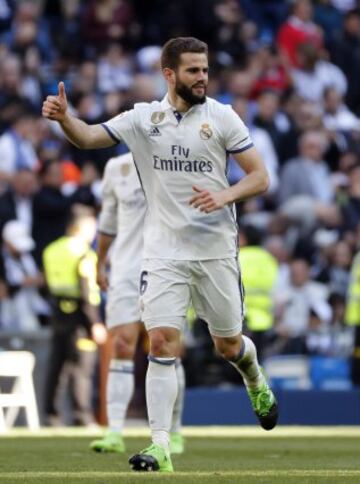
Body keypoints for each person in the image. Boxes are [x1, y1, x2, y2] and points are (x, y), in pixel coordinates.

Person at [42, 36, 278, 473]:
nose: (202, 77)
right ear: (169, 74)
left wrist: (225, 194)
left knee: (227, 345)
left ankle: (253, 374)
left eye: (205, 69)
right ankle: (160, 446)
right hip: (164, 253)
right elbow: (90, 137)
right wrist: (64, 119)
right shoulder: (143, 118)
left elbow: (261, 177)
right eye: (193, 70)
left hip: (215, 252)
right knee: (163, 342)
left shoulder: (223, 118)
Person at [89, 152, 186, 454]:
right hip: (126, 268)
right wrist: (100, 261)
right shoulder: (115, 168)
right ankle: (115, 431)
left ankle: (175, 430)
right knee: (121, 345)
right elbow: (107, 221)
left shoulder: (175, 160)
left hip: (166, 266)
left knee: (162, 346)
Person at [42, 205, 107, 426]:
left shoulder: (52, 250)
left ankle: (51, 415)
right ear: (81, 226)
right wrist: (95, 324)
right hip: (81, 318)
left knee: (56, 367)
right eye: (92, 227)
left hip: (58, 314)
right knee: (82, 369)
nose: (94, 232)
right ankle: (82, 415)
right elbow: (86, 291)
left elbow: (46, 285)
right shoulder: (83, 253)